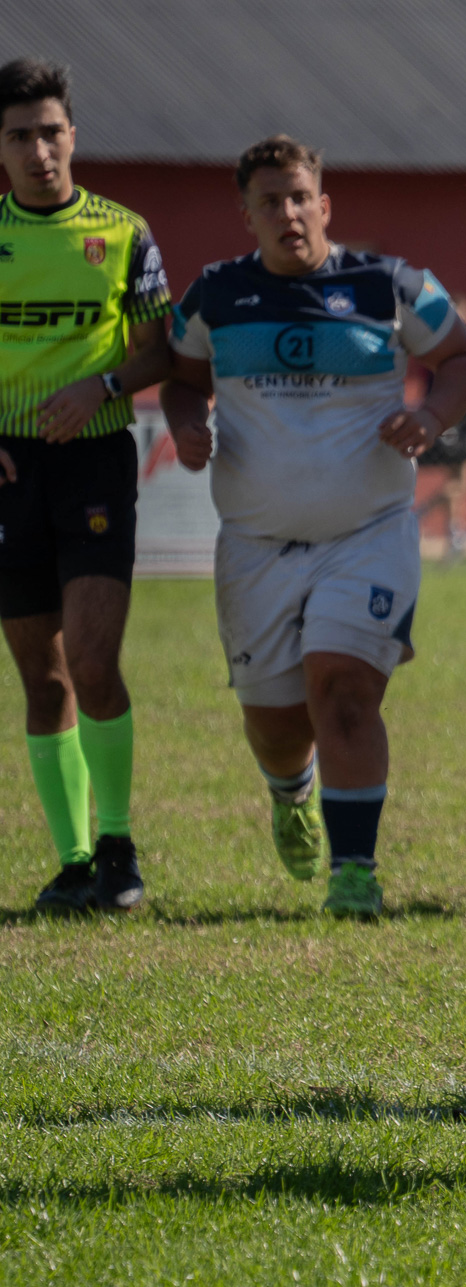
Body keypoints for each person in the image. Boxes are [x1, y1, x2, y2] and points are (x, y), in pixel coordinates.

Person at [161, 135, 466, 917]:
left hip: (367, 533)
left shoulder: (390, 284)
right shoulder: (214, 294)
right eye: (270, 201)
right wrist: (187, 423)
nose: (289, 212)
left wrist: (431, 417)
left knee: (343, 690)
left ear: (325, 204)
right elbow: (181, 378)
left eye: (301, 196)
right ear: (247, 215)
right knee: (276, 726)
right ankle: (290, 791)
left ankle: (355, 872)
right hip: (255, 546)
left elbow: (461, 354)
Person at [0, 58, 171, 913]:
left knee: (96, 661)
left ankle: (118, 844)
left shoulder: (125, 232)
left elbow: (159, 351)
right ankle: (72, 863)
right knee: (45, 678)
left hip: (96, 461)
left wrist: (101, 386)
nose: (39, 151)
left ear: (74, 135)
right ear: (1, 147)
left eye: (50, 133)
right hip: (8, 469)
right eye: (20, 136)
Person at [416, 292, 466, 557]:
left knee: (461, 479)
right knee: (461, 481)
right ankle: (419, 515)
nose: (465, 319)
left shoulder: (461, 346)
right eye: (459, 314)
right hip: (447, 416)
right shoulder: (443, 347)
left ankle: (455, 535)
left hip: (461, 417)